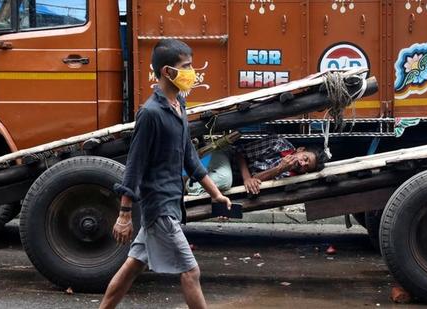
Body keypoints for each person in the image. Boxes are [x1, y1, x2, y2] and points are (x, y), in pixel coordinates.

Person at [99, 39, 231, 309]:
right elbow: (135, 164)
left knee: (133, 266)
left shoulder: (179, 106)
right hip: (158, 206)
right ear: (166, 71)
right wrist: (125, 214)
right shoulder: (150, 114)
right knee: (191, 272)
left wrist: (215, 194)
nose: (192, 72)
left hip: (171, 202)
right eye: (186, 66)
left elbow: (189, 158)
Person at [236, 136, 328, 195]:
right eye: (305, 158)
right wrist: (247, 178)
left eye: (306, 167)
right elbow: (239, 153)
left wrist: (279, 170)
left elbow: (256, 178)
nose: (302, 164)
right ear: (300, 149)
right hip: (231, 162)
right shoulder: (277, 143)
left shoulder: (291, 179)